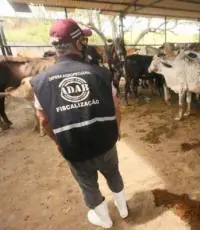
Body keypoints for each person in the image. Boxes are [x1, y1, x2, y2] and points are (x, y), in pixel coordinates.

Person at [30, 18, 128, 229]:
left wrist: (58, 141)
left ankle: (105, 220)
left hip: (74, 148)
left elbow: (43, 119)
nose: (84, 43)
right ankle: (123, 209)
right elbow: (115, 107)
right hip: (105, 143)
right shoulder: (101, 73)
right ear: (77, 44)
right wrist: (117, 130)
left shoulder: (40, 82)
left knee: (88, 184)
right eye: (83, 39)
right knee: (113, 173)